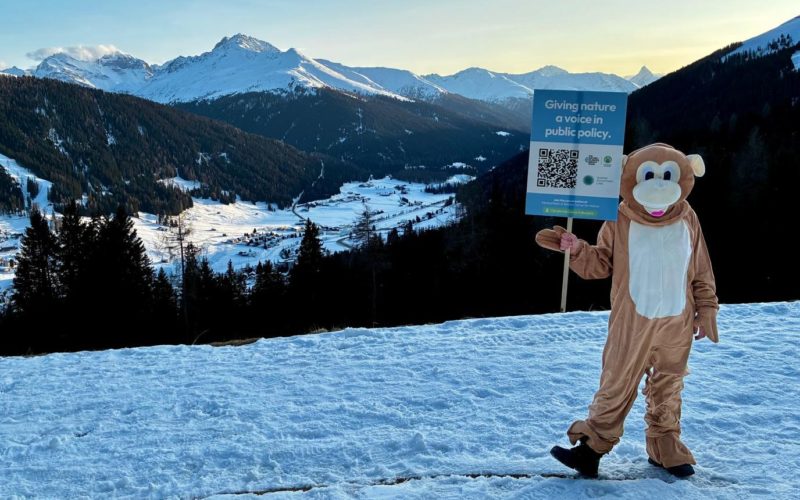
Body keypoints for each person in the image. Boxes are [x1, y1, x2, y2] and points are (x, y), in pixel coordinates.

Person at [535, 143, 718, 478]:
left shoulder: (688, 217)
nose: (660, 185)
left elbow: (701, 268)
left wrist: (706, 309)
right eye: (649, 176)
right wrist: (577, 250)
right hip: (632, 321)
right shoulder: (621, 217)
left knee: (669, 384)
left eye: (668, 177)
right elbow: (601, 263)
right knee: (617, 381)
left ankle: (665, 445)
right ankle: (592, 448)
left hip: (677, 320)